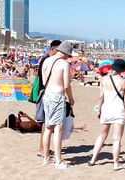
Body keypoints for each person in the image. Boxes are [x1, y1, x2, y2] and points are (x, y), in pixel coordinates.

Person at [88, 59, 125, 171]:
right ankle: (116, 164)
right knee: (116, 139)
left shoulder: (104, 80)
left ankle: (92, 159)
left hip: (106, 109)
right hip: (118, 110)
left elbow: (101, 97)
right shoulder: (124, 82)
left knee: (102, 136)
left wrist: (98, 110)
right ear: (122, 70)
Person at [41, 41, 75, 169]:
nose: (68, 57)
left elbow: (44, 80)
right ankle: (58, 160)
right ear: (65, 53)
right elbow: (66, 85)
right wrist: (71, 99)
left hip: (47, 95)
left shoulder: (46, 61)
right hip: (57, 95)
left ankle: (46, 158)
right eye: (69, 55)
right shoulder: (63, 63)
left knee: (48, 127)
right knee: (58, 128)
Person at [35, 40, 62, 159]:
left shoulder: (46, 59)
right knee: (46, 123)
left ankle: (43, 149)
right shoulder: (47, 60)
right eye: (58, 50)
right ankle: (42, 149)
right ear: (53, 49)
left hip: (45, 93)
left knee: (47, 123)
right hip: (46, 93)